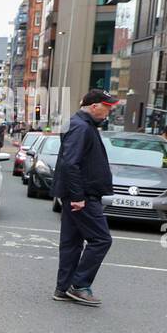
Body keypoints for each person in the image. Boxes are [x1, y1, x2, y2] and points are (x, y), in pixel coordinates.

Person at [52, 90, 117, 306]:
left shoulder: (81, 124)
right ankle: (79, 285)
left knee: (71, 243)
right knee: (101, 239)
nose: (109, 111)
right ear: (94, 106)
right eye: (107, 106)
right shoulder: (81, 127)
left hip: (77, 194)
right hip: (83, 196)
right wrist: (78, 196)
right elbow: (71, 163)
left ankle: (63, 289)